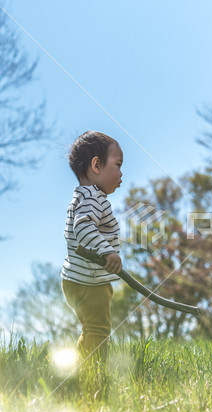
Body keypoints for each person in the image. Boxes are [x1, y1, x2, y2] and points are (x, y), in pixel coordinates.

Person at [61, 131, 123, 363]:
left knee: (90, 328)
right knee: (98, 330)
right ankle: (94, 373)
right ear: (96, 165)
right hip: (91, 282)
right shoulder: (93, 198)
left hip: (73, 279)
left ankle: (82, 364)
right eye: (118, 165)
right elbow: (83, 227)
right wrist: (107, 251)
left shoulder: (81, 196)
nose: (121, 173)